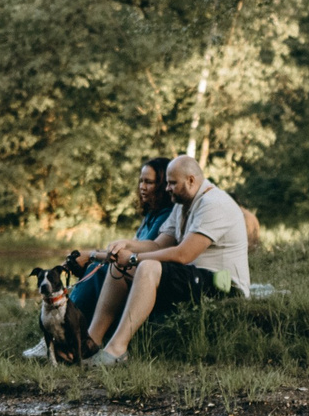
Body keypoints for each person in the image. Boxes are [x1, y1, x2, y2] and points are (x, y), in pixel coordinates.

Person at [84, 154, 251, 365]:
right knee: (120, 267)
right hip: (193, 277)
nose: (167, 189)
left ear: (191, 180)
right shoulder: (182, 205)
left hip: (224, 285)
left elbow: (183, 254)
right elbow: (158, 244)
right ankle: (90, 343)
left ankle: (117, 350)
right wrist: (126, 245)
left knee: (148, 267)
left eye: (172, 183)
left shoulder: (214, 204)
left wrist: (134, 258)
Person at [25, 157, 176, 360]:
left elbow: (137, 254)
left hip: (146, 273)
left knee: (100, 270)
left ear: (162, 186)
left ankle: (67, 336)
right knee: (92, 266)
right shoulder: (150, 215)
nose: (142, 187)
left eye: (149, 182)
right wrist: (90, 256)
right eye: (141, 181)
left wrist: (93, 255)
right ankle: (59, 334)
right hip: (132, 268)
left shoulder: (167, 216)